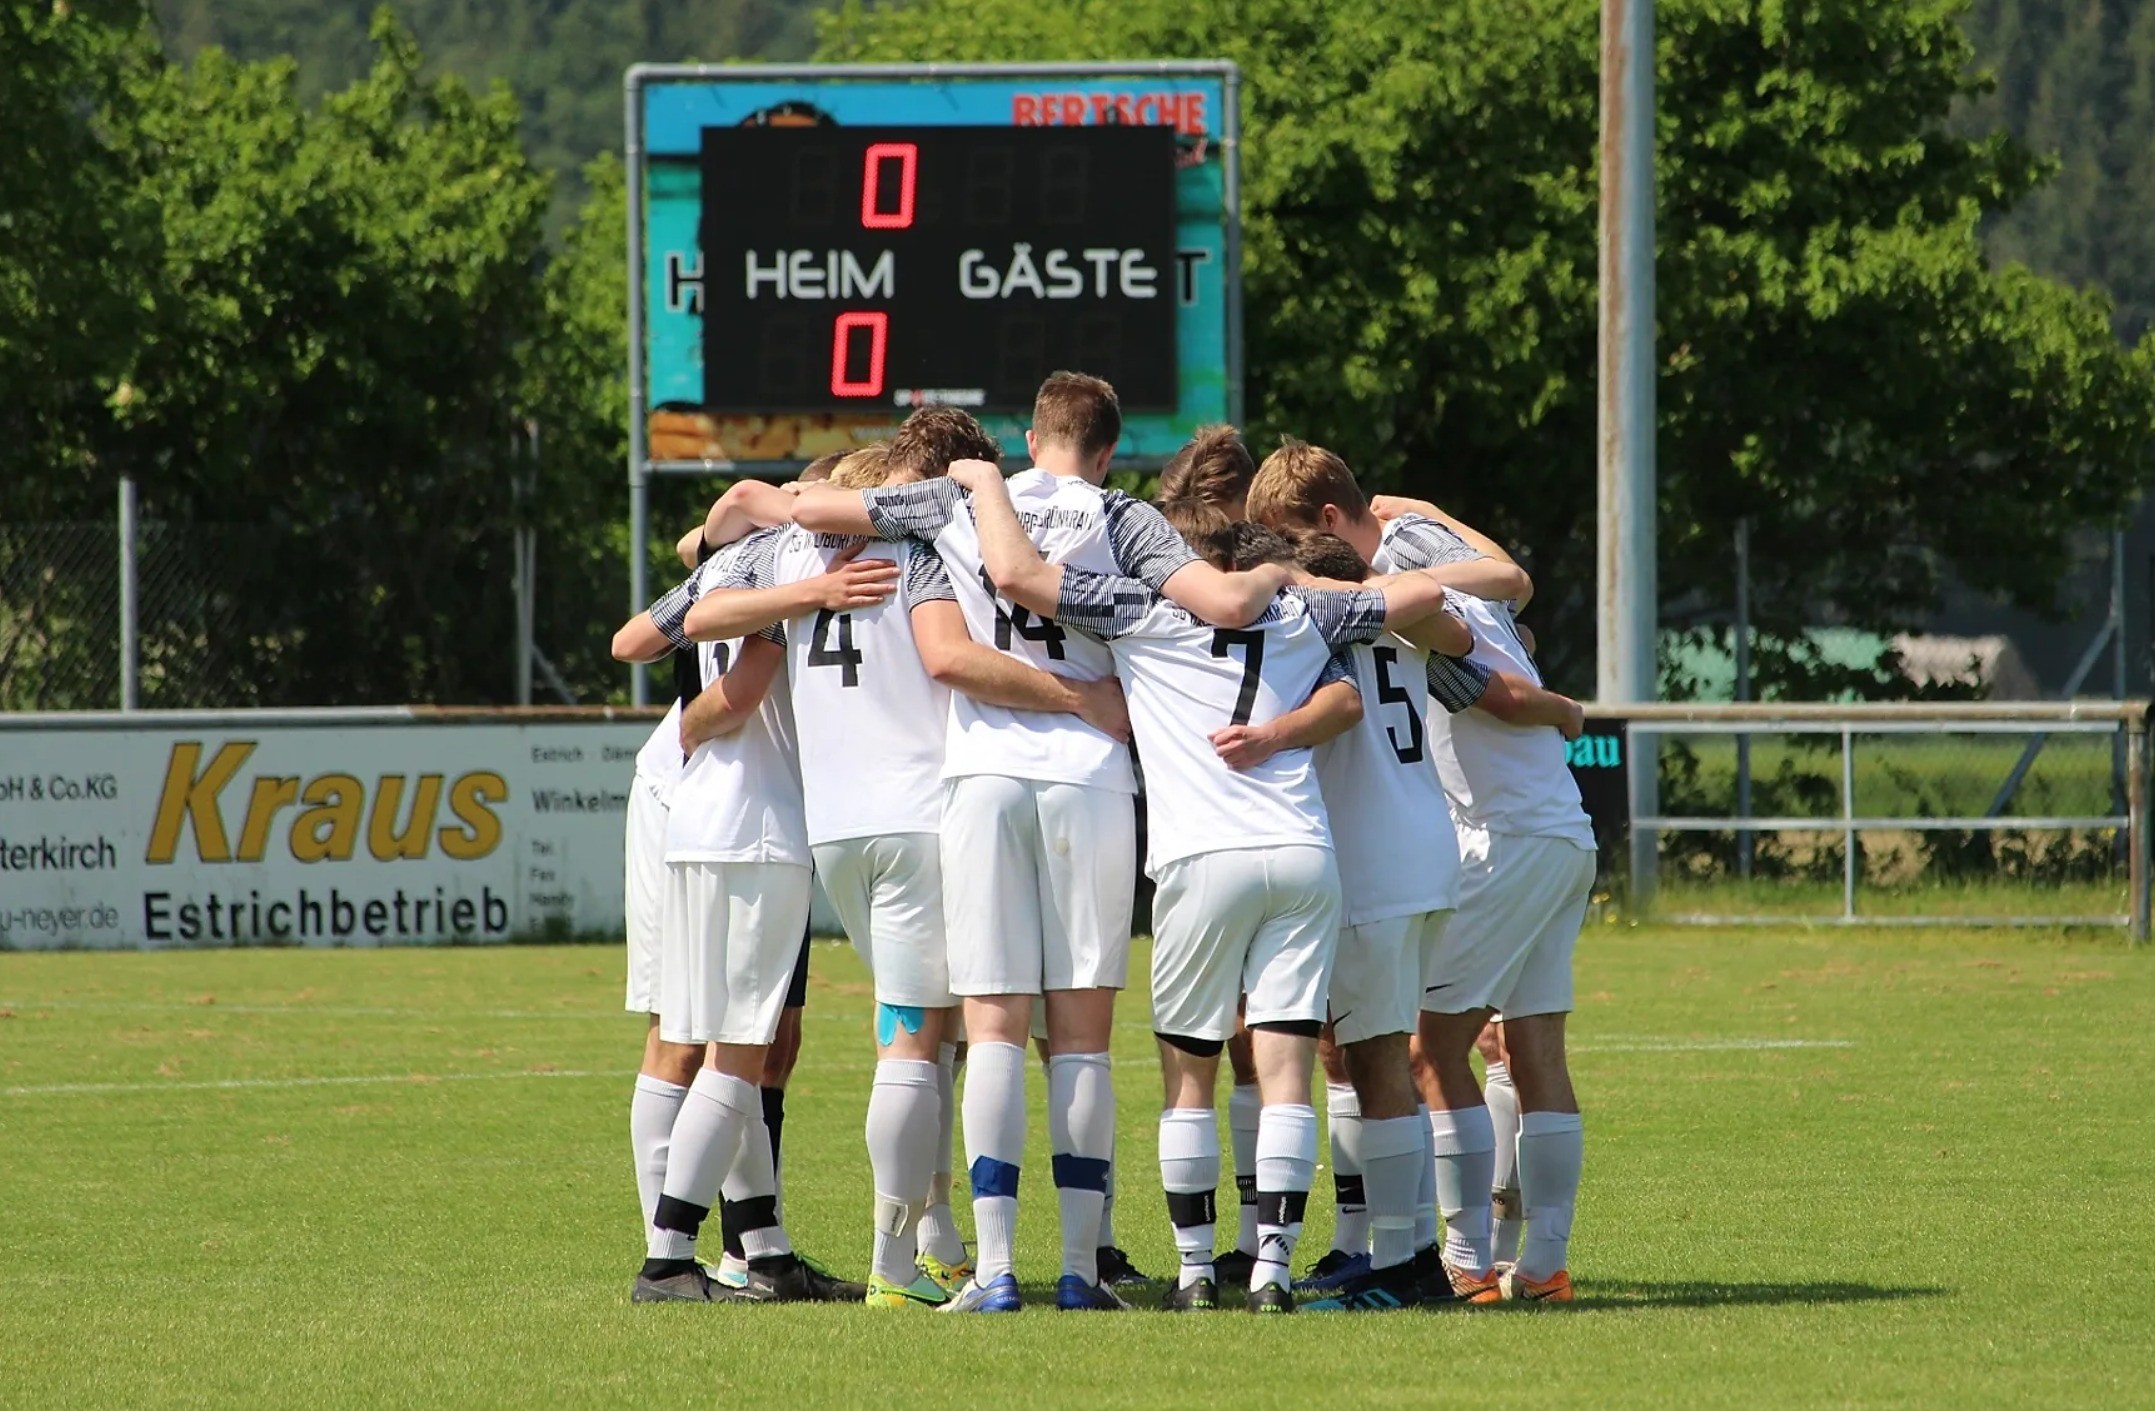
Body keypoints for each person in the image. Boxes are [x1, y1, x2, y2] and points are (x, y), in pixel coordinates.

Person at [706, 378, 1291, 1313]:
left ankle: (996, 1268)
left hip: (980, 778)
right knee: (1082, 1042)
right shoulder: (1128, 518)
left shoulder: (957, 500)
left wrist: (757, 525)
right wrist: (1277, 578)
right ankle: (1080, 1269)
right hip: (1090, 777)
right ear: (1108, 450)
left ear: (1029, 437)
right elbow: (1217, 606)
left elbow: (813, 507)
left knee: (989, 1034)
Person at [956, 459, 1487, 1314]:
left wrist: (984, 483)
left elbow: (1018, 575)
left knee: (1189, 1076)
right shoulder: (1304, 610)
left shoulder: (1138, 608)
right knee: (1286, 1074)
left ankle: (1197, 1272)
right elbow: (1420, 596)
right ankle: (1272, 1273)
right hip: (1303, 853)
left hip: (1201, 858)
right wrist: (1294, 579)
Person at [682, 439, 1133, 1307]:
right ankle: (901, 1266)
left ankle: (938, 1242)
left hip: (836, 827)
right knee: (928, 1045)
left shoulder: (790, 554)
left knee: (924, 1033)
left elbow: (699, 586)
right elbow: (947, 658)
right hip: (921, 815)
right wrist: (1079, 696)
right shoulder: (921, 548)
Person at [609, 531, 882, 1304]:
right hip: (754, 828)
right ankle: (668, 1257)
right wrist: (816, 591)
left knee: (721, 1043)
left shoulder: (739, 559)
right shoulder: (802, 565)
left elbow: (644, 634)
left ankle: (762, 1248)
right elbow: (734, 684)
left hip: (704, 817)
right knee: (726, 1051)